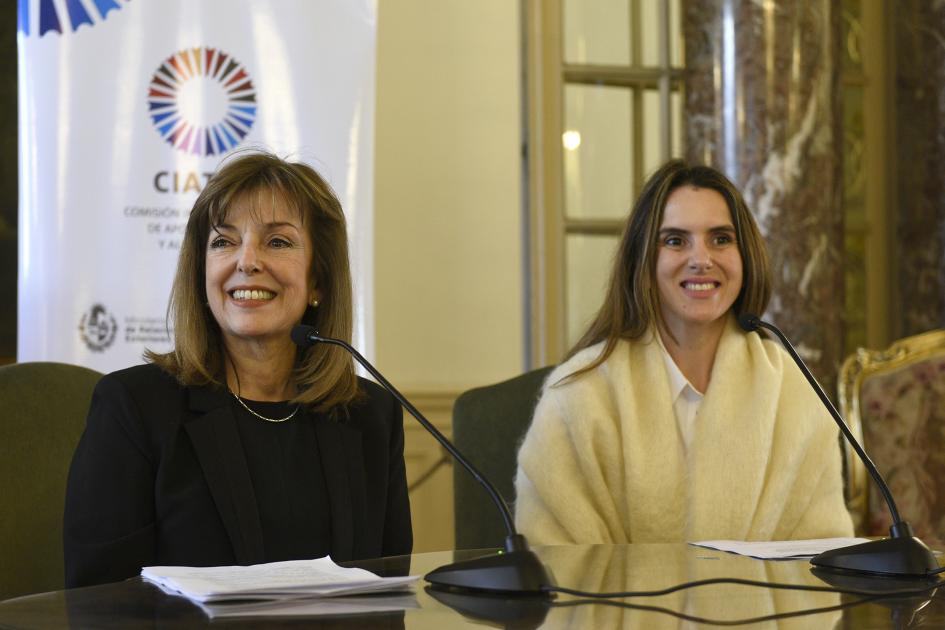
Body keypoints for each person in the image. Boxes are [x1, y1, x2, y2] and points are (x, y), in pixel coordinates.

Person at [64, 152, 412, 587]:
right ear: (202, 274)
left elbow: (386, 597)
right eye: (223, 242)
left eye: (278, 242)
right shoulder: (133, 409)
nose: (246, 260)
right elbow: (100, 604)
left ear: (318, 281)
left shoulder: (371, 415)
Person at [514, 160, 853, 544]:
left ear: (746, 256)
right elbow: (556, 570)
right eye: (675, 240)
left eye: (721, 239)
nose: (702, 259)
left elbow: (824, 555)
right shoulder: (576, 399)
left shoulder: (794, 390)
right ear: (642, 260)